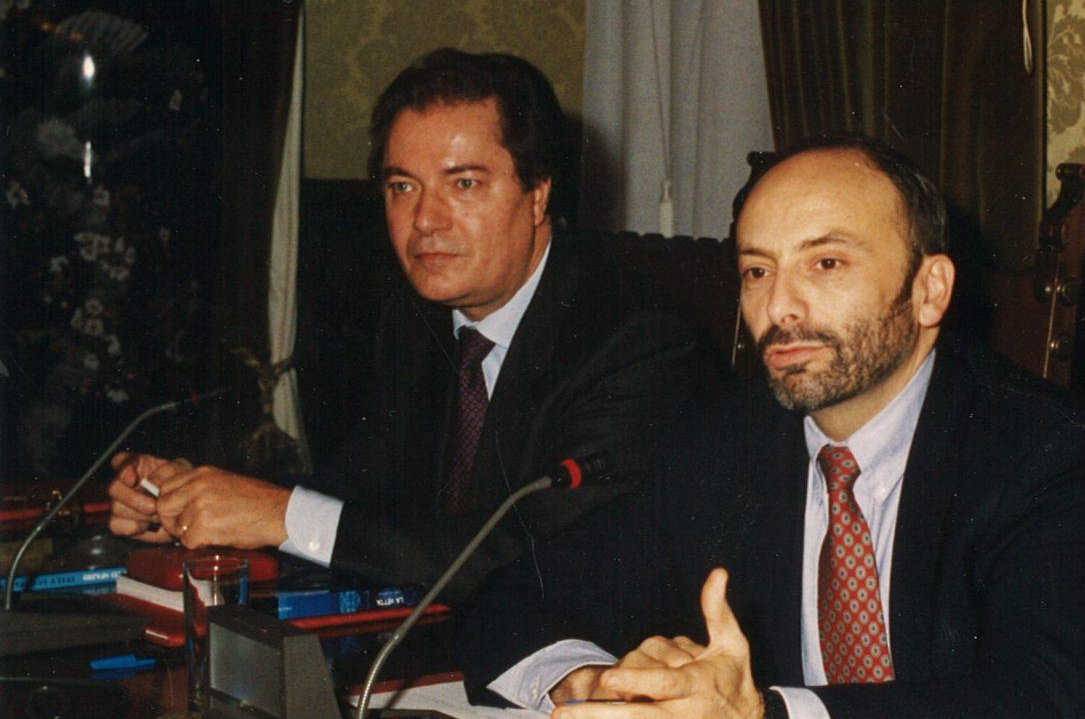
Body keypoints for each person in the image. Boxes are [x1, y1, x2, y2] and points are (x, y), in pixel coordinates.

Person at [461, 137, 1085, 719]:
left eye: (827, 263)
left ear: (930, 291)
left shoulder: (1046, 448)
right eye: (757, 270)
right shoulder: (721, 439)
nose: (779, 307)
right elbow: (517, 596)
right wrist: (592, 685)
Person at [106, 48, 707, 599]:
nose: (424, 220)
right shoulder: (418, 319)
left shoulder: (635, 342)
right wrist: (202, 496)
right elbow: (360, 495)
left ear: (538, 195)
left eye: (464, 183)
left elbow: (524, 558)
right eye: (402, 187)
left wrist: (276, 513)